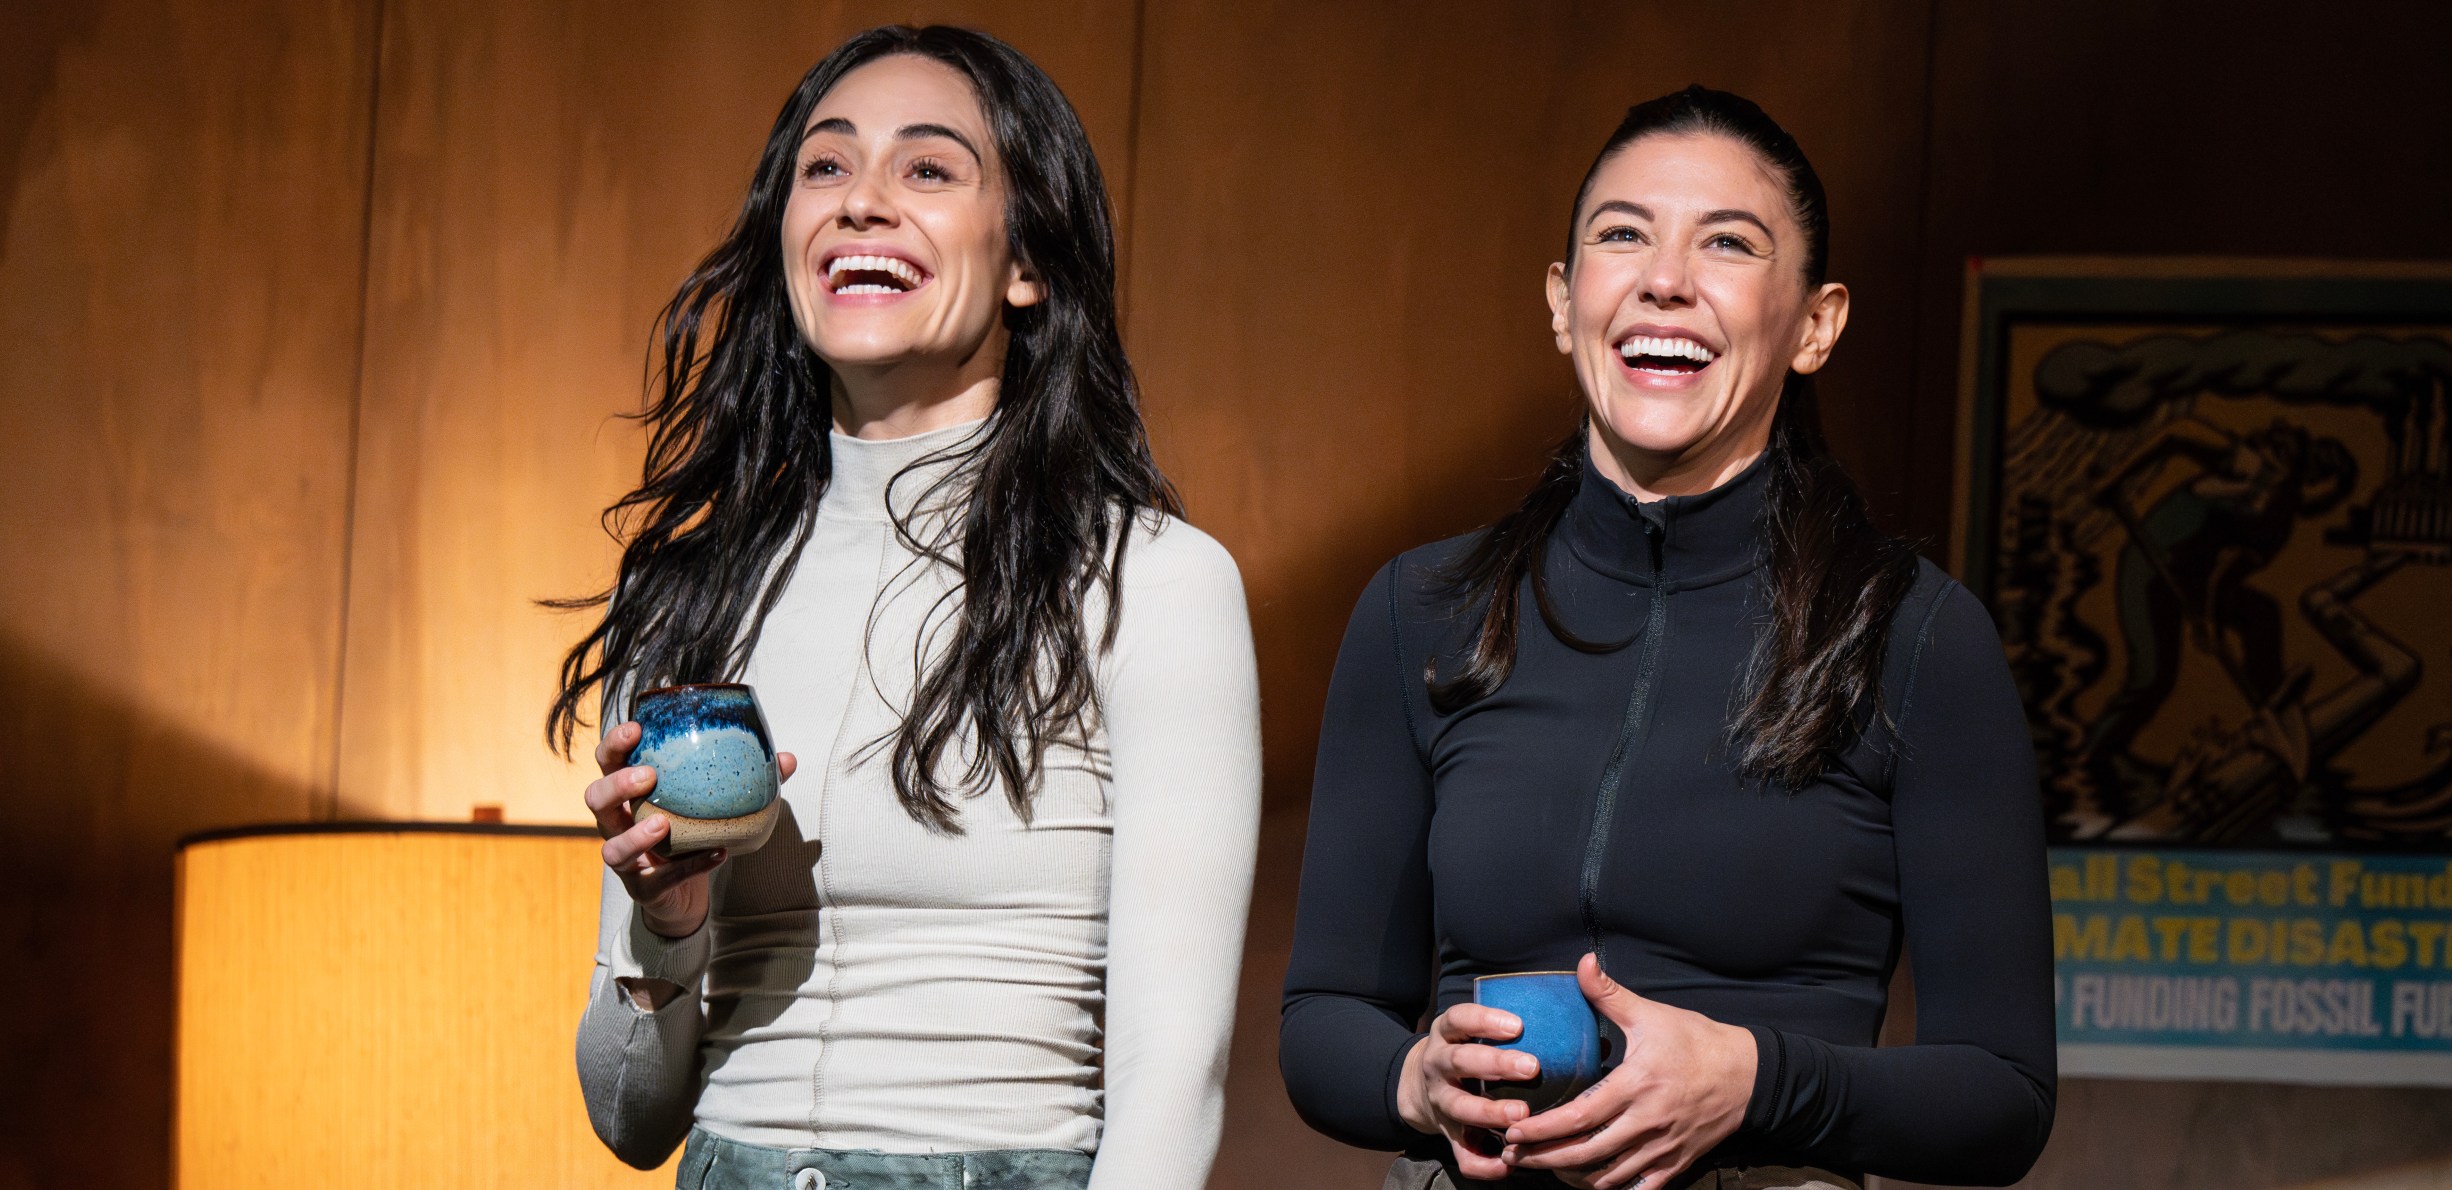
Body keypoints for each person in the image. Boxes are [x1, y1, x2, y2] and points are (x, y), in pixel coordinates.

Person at [1279, 86, 2054, 1190]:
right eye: (1622, 233)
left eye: (1727, 244)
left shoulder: (1913, 634)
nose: (1665, 279)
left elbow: (2003, 1094)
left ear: (1816, 322)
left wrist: (1757, 1079)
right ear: (1563, 299)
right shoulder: (1422, 608)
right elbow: (1321, 1017)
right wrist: (1413, 1077)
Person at [554, 26, 1259, 1190]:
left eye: (927, 169)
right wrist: (667, 923)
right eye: (825, 168)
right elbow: (629, 1117)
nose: (861, 202)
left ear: (1028, 260)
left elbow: (1171, 1077)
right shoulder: (689, 592)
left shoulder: (1153, 579)